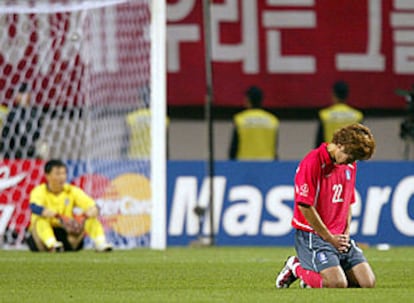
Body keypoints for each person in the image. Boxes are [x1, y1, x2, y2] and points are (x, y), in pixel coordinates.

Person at [275, 123, 376, 288]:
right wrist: (329, 238)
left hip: (339, 236)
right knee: (336, 284)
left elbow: (347, 201)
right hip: (314, 235)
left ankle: (319, 276)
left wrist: (346, 232)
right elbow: (304, 206)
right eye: (350, 156)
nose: (351, 161)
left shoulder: (349, 164)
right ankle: (295, 266)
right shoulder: (313, 162)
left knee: (367, 283)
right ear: (340, 144)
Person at [27, 159, 113, 252]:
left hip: (65, 229)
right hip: (43, 233)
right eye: (57, 174)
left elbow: (93, 206)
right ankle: (52, 244)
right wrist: (49, 213)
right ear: (47, 176)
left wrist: (88, 213)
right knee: (40, 220)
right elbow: (34, 207)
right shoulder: (39, 191)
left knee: (90, 219)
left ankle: (100, 243)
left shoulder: (72, 190)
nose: (62, 177)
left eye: (64, 173)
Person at [229, 86, 280, 160]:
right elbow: (274, 148)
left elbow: (233, 150)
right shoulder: (272, 120)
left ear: (247, 99)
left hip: (244, 166)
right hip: (268, 166)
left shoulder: (240, 120)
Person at [0, 82, 43, 158]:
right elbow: (5, 133)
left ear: (29, 95)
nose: (18, 96)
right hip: (11, 153)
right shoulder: (12, 113)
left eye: (21, 93)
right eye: (17, 94)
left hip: (29, 153)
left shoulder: (35, 114)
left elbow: (38, 134)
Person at [315, 81, 363, 147]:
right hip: (350, 155)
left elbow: (319, 142)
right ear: (347, 95)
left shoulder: (325, 115)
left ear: (333, 94)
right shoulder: (357, 116)